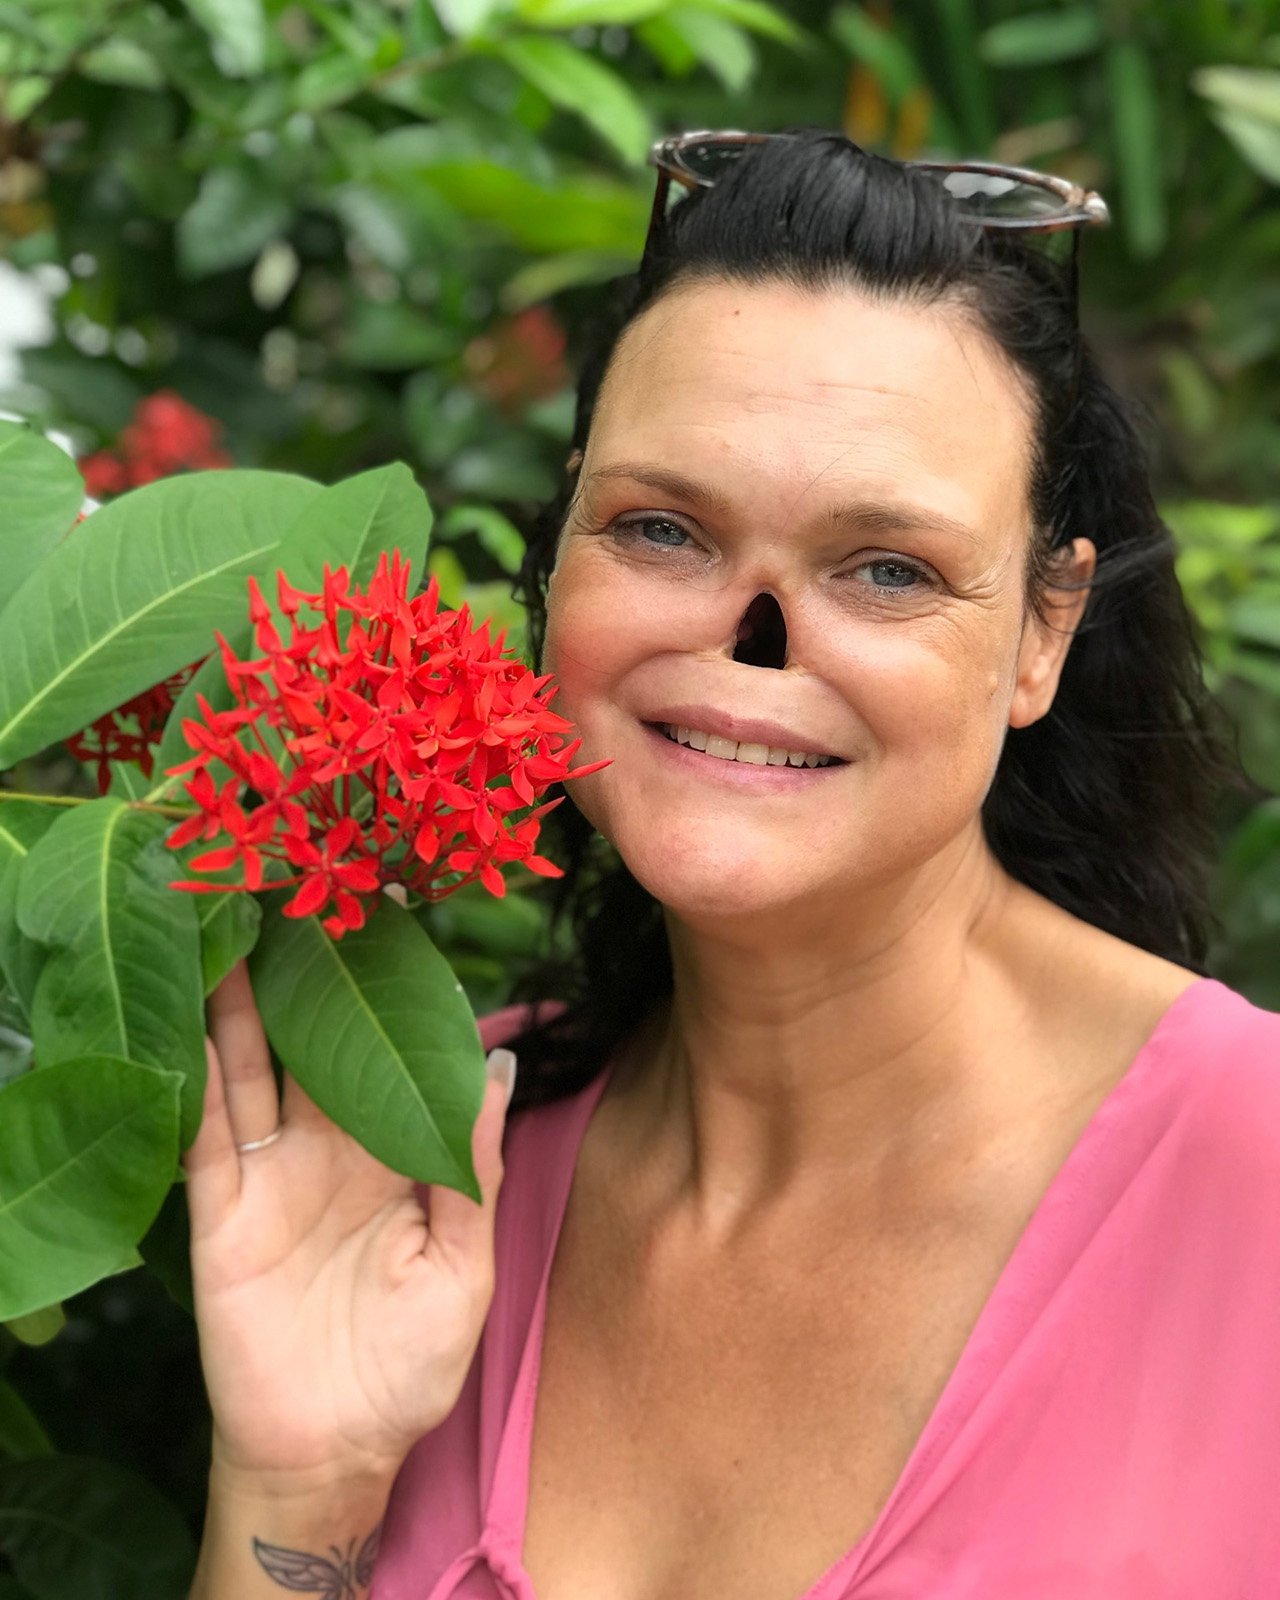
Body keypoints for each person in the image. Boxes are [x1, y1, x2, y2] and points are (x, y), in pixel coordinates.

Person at [185, 131, 1280, 1600]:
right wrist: (295, 1485)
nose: (751, 642)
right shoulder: (427, 1161)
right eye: (661, 529)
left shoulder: (1254, 1172)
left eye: (886, 567)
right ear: (558, 554)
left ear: (1043, 631)